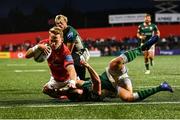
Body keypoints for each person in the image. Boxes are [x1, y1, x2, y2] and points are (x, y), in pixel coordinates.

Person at [59, 35, 173, 102]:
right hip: (117, 87)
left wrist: (62, 87)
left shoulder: (81, 86)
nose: (78, 92)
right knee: (129, 98)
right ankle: (161, 87)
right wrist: (88, 66)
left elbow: (74, 81)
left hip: (110, 75)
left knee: (115, 63)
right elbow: (97, 81)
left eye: (75, 91)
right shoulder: (91, 96)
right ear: (79, 97)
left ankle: (143, 47)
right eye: (77, 94)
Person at [25, 26, 78, 98]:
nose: (53, 43)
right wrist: (37, 47)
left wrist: (72, 82)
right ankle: (62, 95)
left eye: (56, 41)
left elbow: (71, 69)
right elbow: (27, 55)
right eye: (51, 40)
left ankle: (66, 91)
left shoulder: (65, 52)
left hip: (67, 79)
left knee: (77, 92)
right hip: (56, 79)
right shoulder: (44, 44)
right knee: (45, 90)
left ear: (62, 40)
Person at [54, 14, 90, 80]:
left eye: (61, 23)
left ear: (65, 22)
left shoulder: (70, 32)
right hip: (74, 53)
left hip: (82, 52)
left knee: (71, 59)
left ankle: (83, 80)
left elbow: (68, 51)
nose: (59, 25)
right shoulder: (60, 32)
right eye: (57, 23)